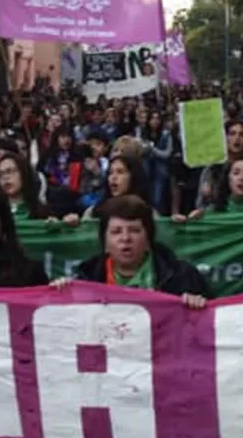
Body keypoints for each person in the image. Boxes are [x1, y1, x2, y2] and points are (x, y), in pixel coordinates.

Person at [70, 195, 211, 307]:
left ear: (148, 239)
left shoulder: (182, 275)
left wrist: (198, 306)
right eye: (116, 232)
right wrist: (60, 291)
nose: (125, 238)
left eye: (134, 231)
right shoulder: (86, 278)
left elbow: (211, 323)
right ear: (105, 242)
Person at [197, 120, 243, 209]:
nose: (237, 138)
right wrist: (206, 197)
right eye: (232, 134)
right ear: (224, 138)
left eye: (241, 134)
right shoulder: (211, 169)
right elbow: (199, 206)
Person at [86, 152, 149, 219]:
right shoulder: (92, 212)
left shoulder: (148, 212)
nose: (113, 177)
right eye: (110, 173)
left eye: (120, 172)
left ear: (133, 177)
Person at [0, 153, 51, 221]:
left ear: (23, 173)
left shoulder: (41, 211)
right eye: (0, 174)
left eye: (10, 171)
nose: (5, 177)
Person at [140, 111, 173, 210]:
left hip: (160, 170)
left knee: (158, 198)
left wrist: (153, 149)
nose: (155, 121)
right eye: (152, 118)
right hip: (146, 170)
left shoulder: (166, 135)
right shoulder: (144, 134)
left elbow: (167, 153)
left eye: (157, 118)